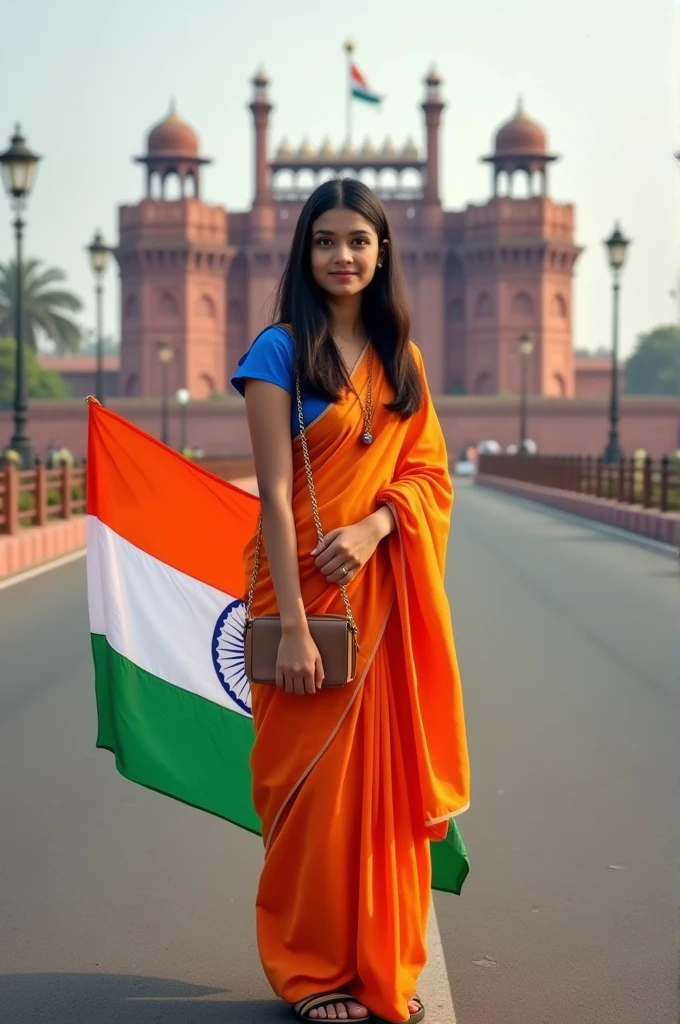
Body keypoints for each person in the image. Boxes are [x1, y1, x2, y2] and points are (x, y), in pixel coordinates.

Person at [231, 178, 469, 1024]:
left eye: (358, 242)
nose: (343, 256)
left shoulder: (401, 363)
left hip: (381, 603)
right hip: (300, 607)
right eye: (326, 241)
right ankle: (312, 969)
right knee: (310, 801)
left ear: (382, 253)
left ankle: (380, 958)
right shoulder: (277, 353)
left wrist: (376, 527)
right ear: (305, 251)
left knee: (382, 796)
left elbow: (428, 475)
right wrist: (292, 626)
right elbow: (270, 500)